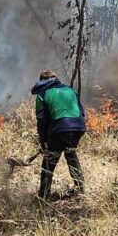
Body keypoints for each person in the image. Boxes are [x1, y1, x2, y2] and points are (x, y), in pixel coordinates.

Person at [30, 70, 86, 200]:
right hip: (78, 127)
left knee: (49, 162)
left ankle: (43, 196)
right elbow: (82, 112)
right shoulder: (70, 90)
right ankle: (80, 189)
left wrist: (43, 141)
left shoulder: (42, 94)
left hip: (60, 128)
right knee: (71, 155)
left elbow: (42, 121)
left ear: (41, 81)